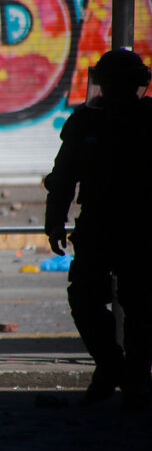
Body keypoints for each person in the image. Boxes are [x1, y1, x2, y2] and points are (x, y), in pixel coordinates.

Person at [44, 48, 152, 409]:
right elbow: (63, 178)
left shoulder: (149, 120)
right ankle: (112, 366)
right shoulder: (85, 123)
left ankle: (136, 377)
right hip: (97, 224)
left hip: (141, 226)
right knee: (85, 297)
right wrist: (54, 221)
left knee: (141, 305)